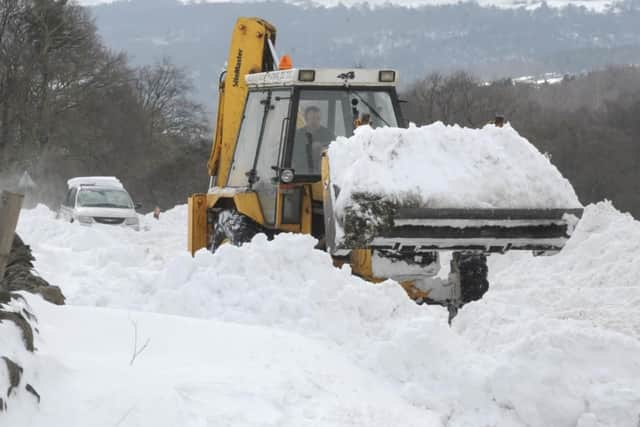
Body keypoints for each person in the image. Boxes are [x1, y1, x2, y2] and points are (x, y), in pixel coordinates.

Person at [293, 106, 335, 174]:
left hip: (323, 173)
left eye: (318, 118)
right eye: (312, 118)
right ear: (306, 119)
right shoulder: (298, 135)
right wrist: (310, 148)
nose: (315, 121)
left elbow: (336, 147)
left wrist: (322, 147)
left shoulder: (328, 134)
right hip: (301, 172)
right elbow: (294, 155)